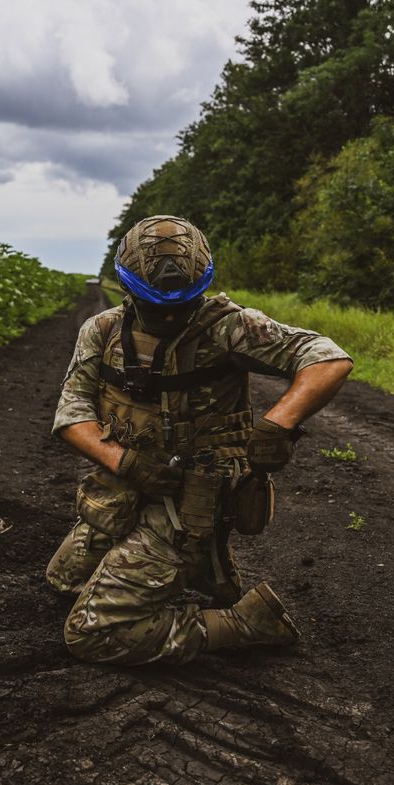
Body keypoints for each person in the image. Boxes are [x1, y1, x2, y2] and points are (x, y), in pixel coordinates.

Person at [47, 215, 353, 665]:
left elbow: (328, 358)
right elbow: (71, 414)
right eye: (156, 305)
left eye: (183, 303)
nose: (170, 315)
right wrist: (124, 462)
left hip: (188, 501)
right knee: (62, 583)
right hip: (126, 486)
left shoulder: (229, 327)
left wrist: (279, 422)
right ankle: (205, 576)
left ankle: (247, 621)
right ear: (128, 289)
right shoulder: (103, 330)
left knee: (93, 633)